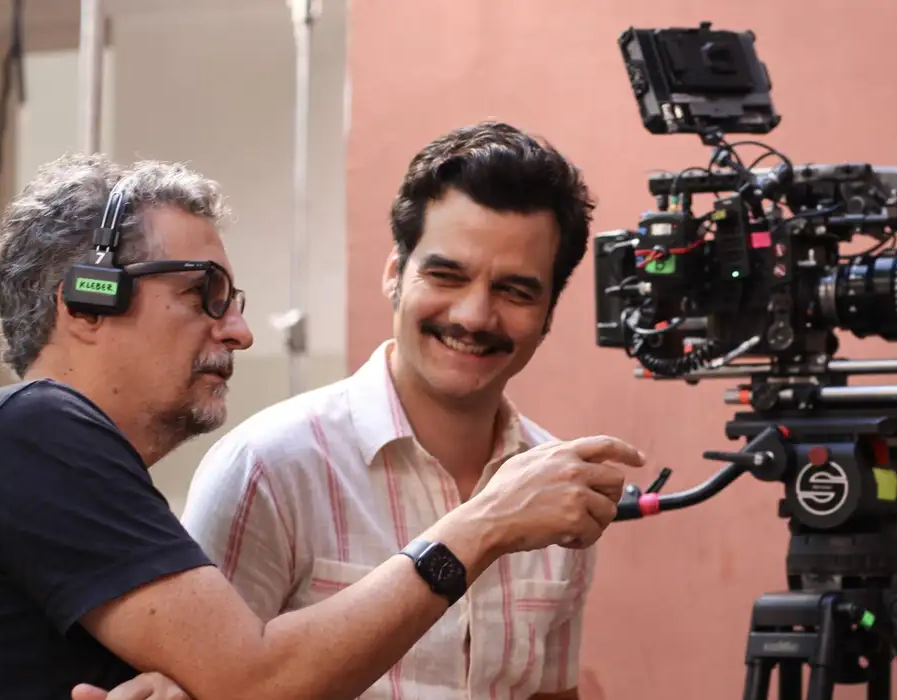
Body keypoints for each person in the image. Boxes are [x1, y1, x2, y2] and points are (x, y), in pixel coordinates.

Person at [0, 152, 643, 700]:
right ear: (88, 300)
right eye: (205, 294)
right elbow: (256, 681)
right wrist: (481, 527)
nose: (239, 331)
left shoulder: (38, 445)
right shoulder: (37, 431)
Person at [180, 121, 603, 699]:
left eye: (515, 291)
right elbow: (210, 686)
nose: (474, 316)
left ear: (549, 312)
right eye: (446, 275)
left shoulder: (556, 486)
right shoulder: (268, 468)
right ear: (393, 276)